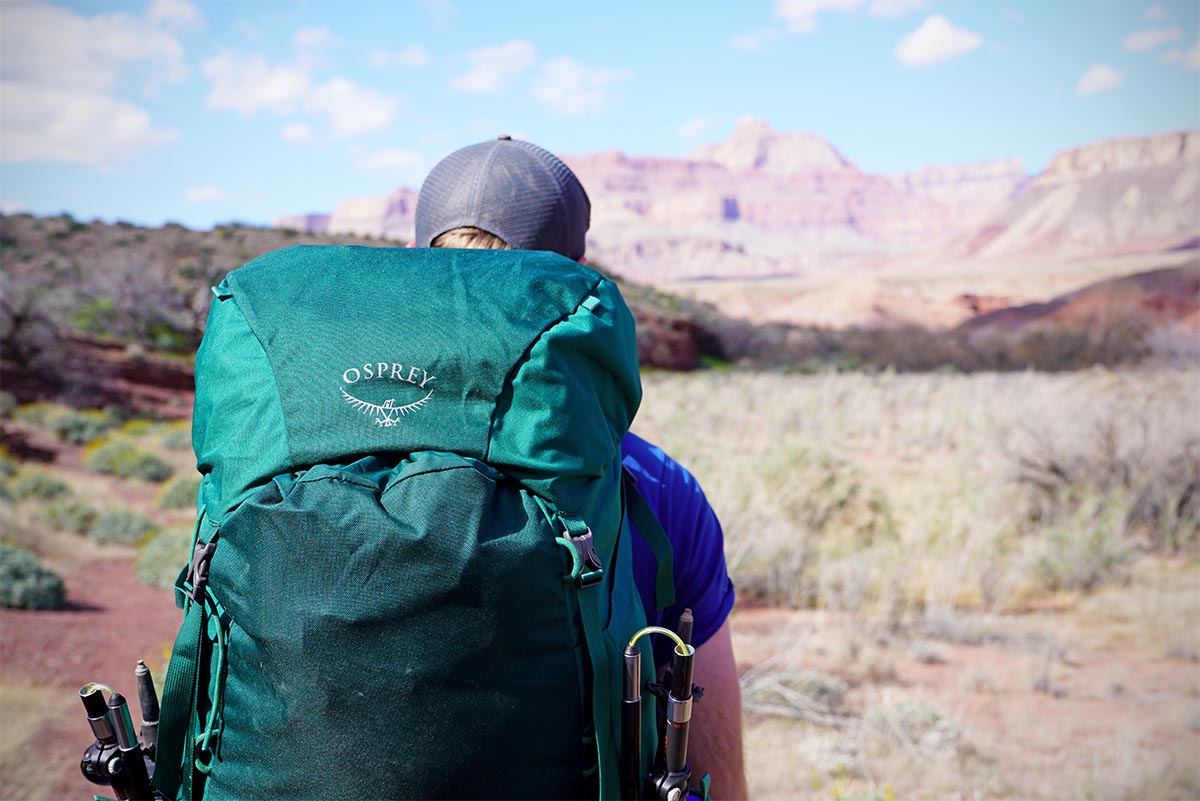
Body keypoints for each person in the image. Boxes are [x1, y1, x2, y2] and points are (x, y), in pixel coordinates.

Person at [411, 135, 748, 800]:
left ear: (418, 275)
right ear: (579, 274)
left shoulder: (316, 461)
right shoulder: (654, 488)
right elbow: (712, 759)